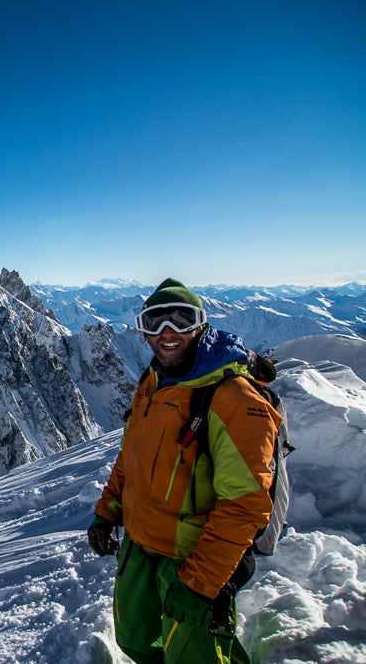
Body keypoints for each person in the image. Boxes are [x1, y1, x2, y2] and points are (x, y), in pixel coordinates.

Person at [87, 278, 280, 664]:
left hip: (191, 559)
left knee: (199, 658)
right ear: (142, 330)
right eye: (155, 321)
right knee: (136, 643)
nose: (167, 332)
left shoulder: (232, 397)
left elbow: (245, 505)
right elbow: (131, 458)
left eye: (181, 319)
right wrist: (107, 512)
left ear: (201, 325)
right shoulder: (152, 383)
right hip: (140, 552)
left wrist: (200, 582)